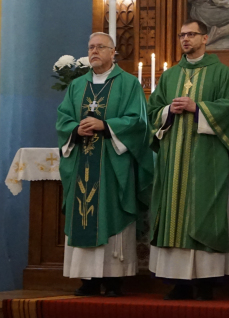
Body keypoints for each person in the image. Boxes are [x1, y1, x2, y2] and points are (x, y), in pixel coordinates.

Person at [147, 20, 229, 301]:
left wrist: (198, 109)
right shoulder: (170, 75)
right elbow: (152, 111)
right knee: (174, 215)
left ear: (205, 38)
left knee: (206, 213)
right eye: (182, 35)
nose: (185, 39)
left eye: (191, 34)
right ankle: (178, 283)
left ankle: (206, 281)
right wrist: (167, 111)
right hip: (173, 159)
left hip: (209, 160)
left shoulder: (221, 73)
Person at [56, 32, 154, 296]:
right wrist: (75, 129)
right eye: (91, 47)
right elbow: (63, 118)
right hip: (82, 160)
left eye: (100, 47)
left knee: (111, 212)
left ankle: (113, 280)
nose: (94, 51)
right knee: (83, 213)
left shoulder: (128, 84)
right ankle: (87, 280)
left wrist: (106, 125)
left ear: (113, 52)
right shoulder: (77, 85)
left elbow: (139, 121)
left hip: (113, 164)